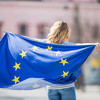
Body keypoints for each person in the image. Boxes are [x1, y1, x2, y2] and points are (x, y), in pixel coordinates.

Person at [24, 21, 100, 100]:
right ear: (66, 33)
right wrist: (94, 45)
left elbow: (33, 40)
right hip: (67, 87)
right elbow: (79, 45)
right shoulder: (67, 46)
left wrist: (16, 37)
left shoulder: (47, 44)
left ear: (53, 30)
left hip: (51, 87)